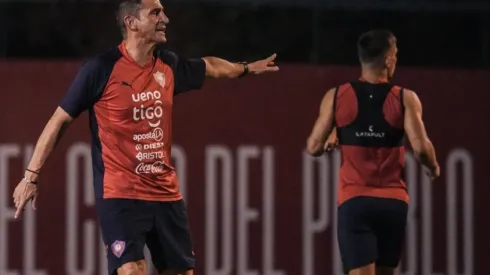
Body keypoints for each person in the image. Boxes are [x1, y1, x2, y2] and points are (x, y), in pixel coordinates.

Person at [11, 0, 279, 274]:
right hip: (120, 194)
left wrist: (246, 68)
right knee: (132, 270)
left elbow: (210, 66)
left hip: (165, 193)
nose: (165, 18)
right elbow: (59, 120)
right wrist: (31, 176)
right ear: (132, 23)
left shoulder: (168, 66)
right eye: (155, 13)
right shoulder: (101, 69)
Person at [306, 29, 440, 275]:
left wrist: (336, 130)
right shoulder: (404, 98)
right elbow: (421, 148)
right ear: (388, 59)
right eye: (396, 55)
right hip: (393, 204)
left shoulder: (337, 96)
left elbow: (313, 147)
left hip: (355, 202)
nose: (396, 60)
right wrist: (433, 167)